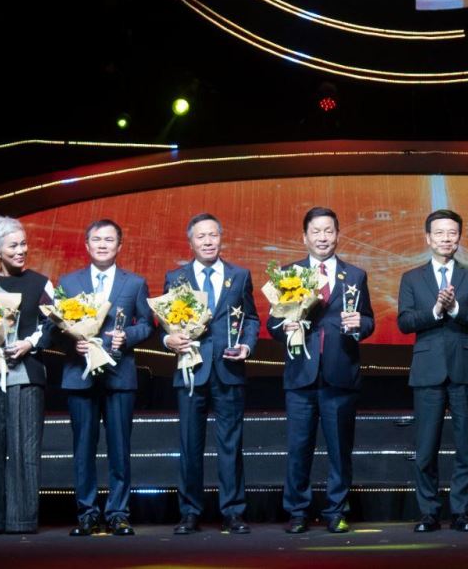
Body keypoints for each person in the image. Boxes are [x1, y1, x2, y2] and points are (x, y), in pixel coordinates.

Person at [269, 206, 375, 534]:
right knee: (298, 449)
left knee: (340, 450)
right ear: (305, 237)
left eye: (329, 231)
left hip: (340, 373)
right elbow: (273, 323)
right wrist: (284, 326)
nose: (323, 237)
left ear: (338, 235)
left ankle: (336, 511)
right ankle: (297, 512)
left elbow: (369, 320)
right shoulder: (289, 274)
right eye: (316, 231)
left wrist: (359, 324)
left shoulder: (354, 276)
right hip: (301, 374)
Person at [163, 212, 260, 535]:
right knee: (189, 445)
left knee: (231, 444)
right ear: (190, 242)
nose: (207, 241)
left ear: (221, 238)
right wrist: (168, 340)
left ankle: (233, 512)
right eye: (201, 236)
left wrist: (247, 345)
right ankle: (190, 512)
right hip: (191, 371)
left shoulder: (240, 275)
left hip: (229, 369)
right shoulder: (176, 277)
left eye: (213, 235)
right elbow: (164, 323)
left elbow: (251, 319)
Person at [397, 209, 468, 533]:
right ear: (428, 238)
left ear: (459, 237)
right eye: (439, 233)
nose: (446, 238)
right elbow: (405, 322)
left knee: (466, 447)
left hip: (465, 368)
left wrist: (457, 308)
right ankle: (429, 512)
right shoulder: (412, 278)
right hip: (428, 371)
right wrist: (437, 310)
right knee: (425, 448)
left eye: (452, 233)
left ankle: (461, 512)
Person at [58, 219, 152, 537]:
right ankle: (87, 513)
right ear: (86, 245)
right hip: (79, 374)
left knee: (119, 448)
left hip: (119, 375)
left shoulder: (134, 283)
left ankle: (118, 513)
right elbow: (53, 327)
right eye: (96, 239)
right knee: (83, 447)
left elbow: (148, 324)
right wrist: (73, 342)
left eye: (109, 240)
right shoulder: (68, 282)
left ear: (119, 246)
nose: (102, 245)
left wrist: (128, 336)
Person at [0, 215, 54, 535]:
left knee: (24, 450)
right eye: (13, 246)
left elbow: (54, 325)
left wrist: (29, 343)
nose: (21, 251)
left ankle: (21, 519)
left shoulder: (41, 283)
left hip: (26, 376)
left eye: (23, 244)